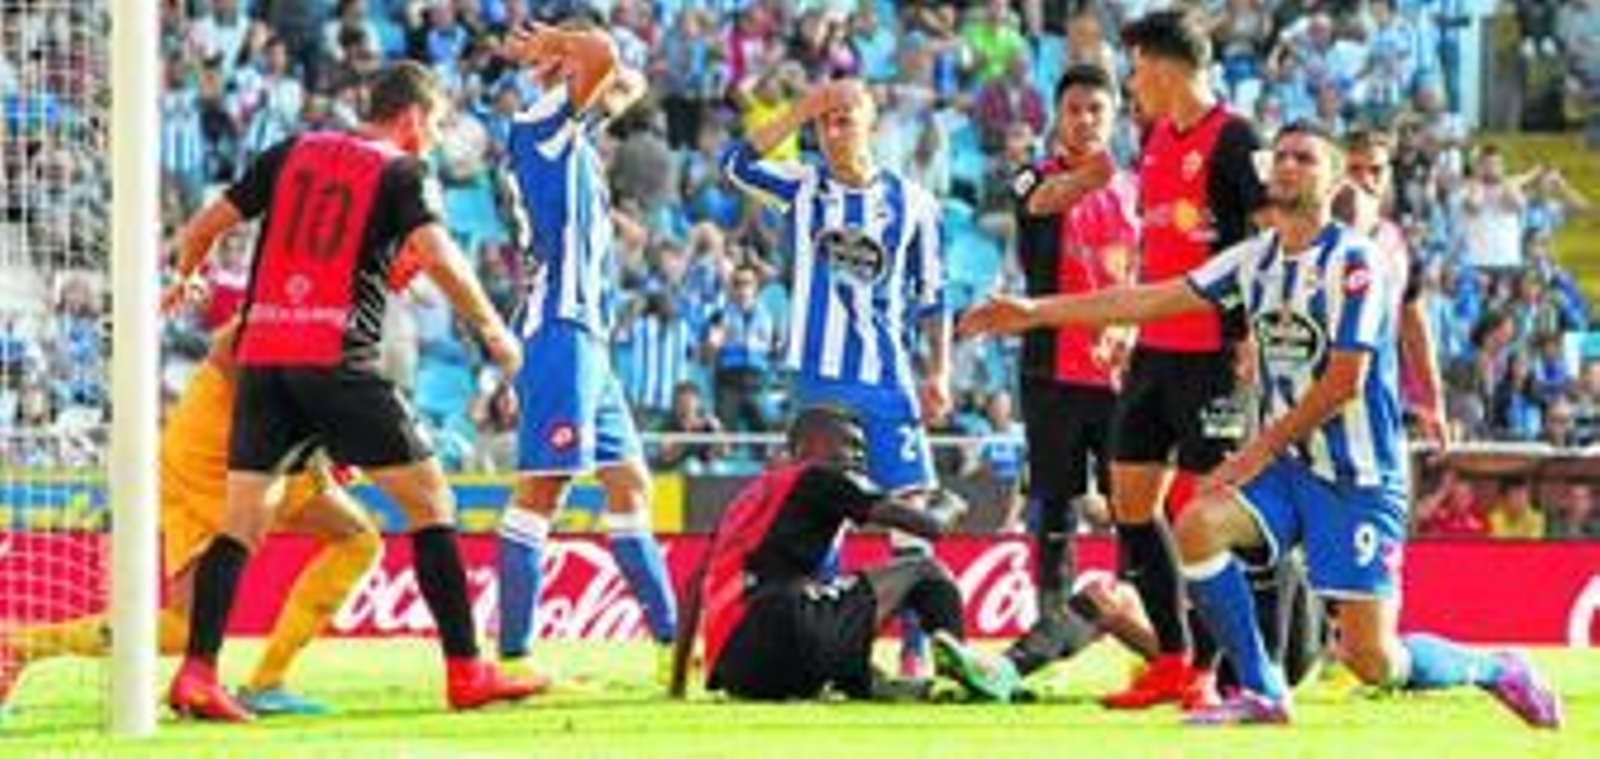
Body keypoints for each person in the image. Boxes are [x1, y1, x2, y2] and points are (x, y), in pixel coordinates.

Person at [960, 122, 1564, 729]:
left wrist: (1257, 450)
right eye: (1283, 156)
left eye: (1305, 158)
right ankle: (1263, 688)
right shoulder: (1256, 261)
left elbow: (1344, 382)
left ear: (1333, 180)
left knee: (1372, 659)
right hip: (1291, 468)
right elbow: (1150, 299)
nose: (1289, 165)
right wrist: (1038, 311)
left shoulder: (1357, 264)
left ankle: (1496, 667)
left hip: (1358, 477)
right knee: (1197, 526)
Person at [160, 60, 536, 722]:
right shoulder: (401, 170)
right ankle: (466, 670)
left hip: (265, 361)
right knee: (432, 502)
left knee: (241, 527)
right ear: (414, 119)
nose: (432, 139)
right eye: (436, 125)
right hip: (336, 358)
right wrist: (496, 335)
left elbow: (200, 229)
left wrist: (187, 275)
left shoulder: (290, 151)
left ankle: (198, 673)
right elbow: (442, 258)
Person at [0, 322, 379, 717]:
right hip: (231, 458)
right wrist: (308, 443)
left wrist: (316, 446)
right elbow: (231, 350)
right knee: (357, 538)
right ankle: (266, 683)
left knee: (184, 627)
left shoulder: (324, 305)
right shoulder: (306, 300)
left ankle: (22, 646)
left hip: (195, 452)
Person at [721, 77, 950, 675]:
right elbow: (736, 163)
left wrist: (940, 372)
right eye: (826, 120)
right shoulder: (801, 187)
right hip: (816, 379)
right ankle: (819, 646)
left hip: (887, 379)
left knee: (909, 507)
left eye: (846, 114)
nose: (835, 126)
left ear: (873, 120)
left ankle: (915, 648)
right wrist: (799, 107)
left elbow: (933, 299)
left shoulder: (913, 204)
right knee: (819, 514)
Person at [493, 19, 680, 687]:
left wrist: (566, 50)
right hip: (560, 329)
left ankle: (673, 645)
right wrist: (566, 43)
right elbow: (607, 58)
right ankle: (512, 657)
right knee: (544, 487)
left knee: (630, 483)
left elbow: (621, 77)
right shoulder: (541, 121)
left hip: (588, 335)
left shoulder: (566, 132)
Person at [1094, 9, 1269, 709]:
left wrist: (1254, 330)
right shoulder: (1155, 137)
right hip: (1154, 350)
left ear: (1164, 66)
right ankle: (1173, 654)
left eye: (1135, 67)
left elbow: (1266, 240)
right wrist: (1124, 321)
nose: (1131, 81)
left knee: (1205, 514)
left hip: (1214, 357)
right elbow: (1156, 241)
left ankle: (1216, 672)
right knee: (1129, 500)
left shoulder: (1236, 139)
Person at [669, 407, 1016, 702]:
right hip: (781, 620)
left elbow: (691, 590)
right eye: (849, 444)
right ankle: (964, 674)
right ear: (806, 446)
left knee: (841, 630)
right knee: (924, 571)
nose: (859, 456)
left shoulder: (744, 502)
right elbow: (931, 527)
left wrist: (677, 687)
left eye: (861, 448)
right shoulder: (821, 475)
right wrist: (948, 503)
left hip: (738, 672)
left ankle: (882, 684)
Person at [1006, 62, 1136, 617]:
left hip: (1122, 372)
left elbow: (1147, 273)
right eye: (1074, 110)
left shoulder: (1137, 191)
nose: (1084, 120)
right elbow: (1041, 202)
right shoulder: (1029, 176)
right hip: (1050, 366)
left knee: (1132, 502)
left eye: (1096, 110)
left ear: (1115, 116)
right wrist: (1089, 178)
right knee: (1054, 501)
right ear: (1057, 118)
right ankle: (1051, 622)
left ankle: (1142, 620)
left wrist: (1131, 328)